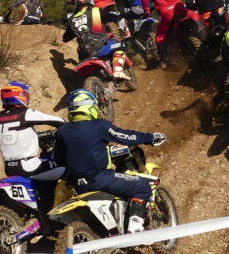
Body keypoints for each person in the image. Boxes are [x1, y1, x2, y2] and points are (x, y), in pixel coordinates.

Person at [54, 89, 166, 233]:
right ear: (90, 106)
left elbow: (58, 160)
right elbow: (125, 136)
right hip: (101, 179)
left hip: (79, 186)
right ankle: (135, 228)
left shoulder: (62, 131)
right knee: (142, 186)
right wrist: (150, 138)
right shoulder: (99, 125)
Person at [0, 81, 65, 180]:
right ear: (21, 95)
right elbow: (59, 121)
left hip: (9, 169)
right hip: (28, 166)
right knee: (67, 167)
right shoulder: (25, 113)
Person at [62, 0, 131, 81]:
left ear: (77, 2)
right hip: (100, 46)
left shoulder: (72, 19)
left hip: (84, 54)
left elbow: (65, 38)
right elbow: (114, 17)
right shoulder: (96, 11)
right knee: (119, 45)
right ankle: (118, 71)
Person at [140, 0, 193, 65]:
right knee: (194, 15)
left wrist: (146, 10)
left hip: (165, 13)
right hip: (179, 8)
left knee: (160, 36)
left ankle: (163, 61)